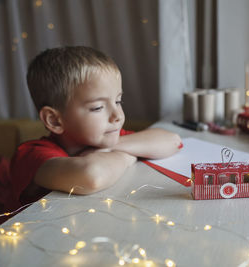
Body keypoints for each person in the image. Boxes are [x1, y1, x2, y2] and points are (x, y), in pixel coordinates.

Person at [10, 46, 182, 207]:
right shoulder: (31, 155)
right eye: (98, 107)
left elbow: (173, 141)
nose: (117, 116)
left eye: (118, 101)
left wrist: (113, 148)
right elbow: (91, 177)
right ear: (54, 120)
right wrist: (128, 156)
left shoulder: (104, 138)